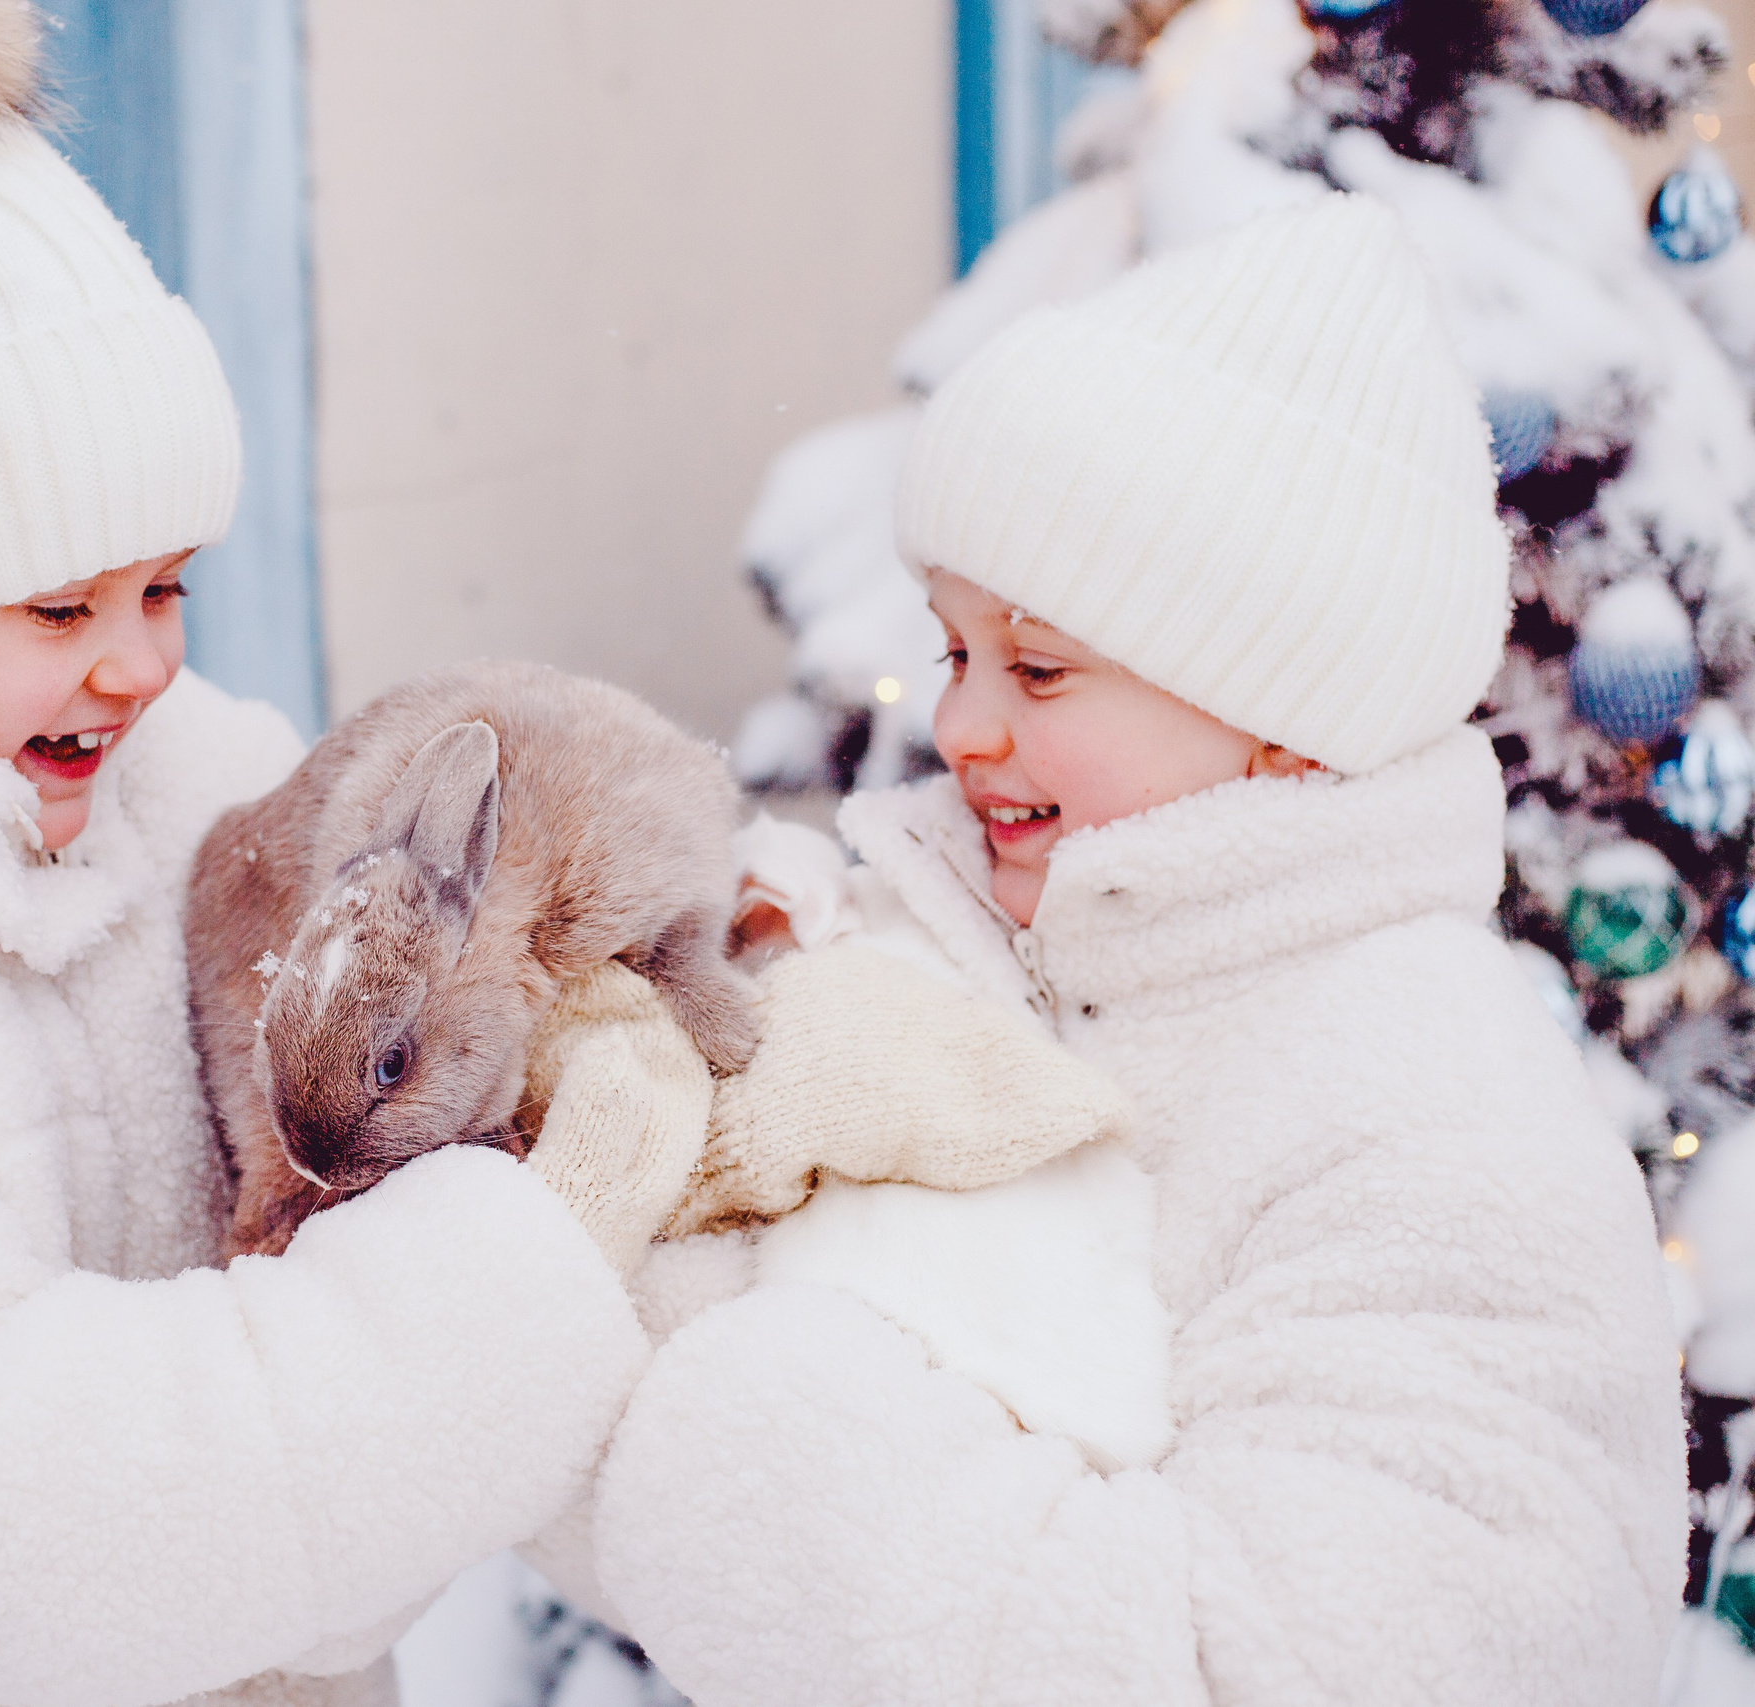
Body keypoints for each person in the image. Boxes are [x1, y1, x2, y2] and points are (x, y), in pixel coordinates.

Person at [0, 4, 1113, 1704]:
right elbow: (0, 1520)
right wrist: (523, 1260)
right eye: (63, 606)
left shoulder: (184, 779)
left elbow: (452, 985)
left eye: (164, 587)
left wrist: (665, 968)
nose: (142, 663)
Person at [584, 194, 1687, 1705]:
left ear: (1285, 722)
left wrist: (727, 1404)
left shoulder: (1433, 1123)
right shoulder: (941, 961)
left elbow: (1296, 1666)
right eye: (954, 649)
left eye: (1038, 668)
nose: (961, 726)